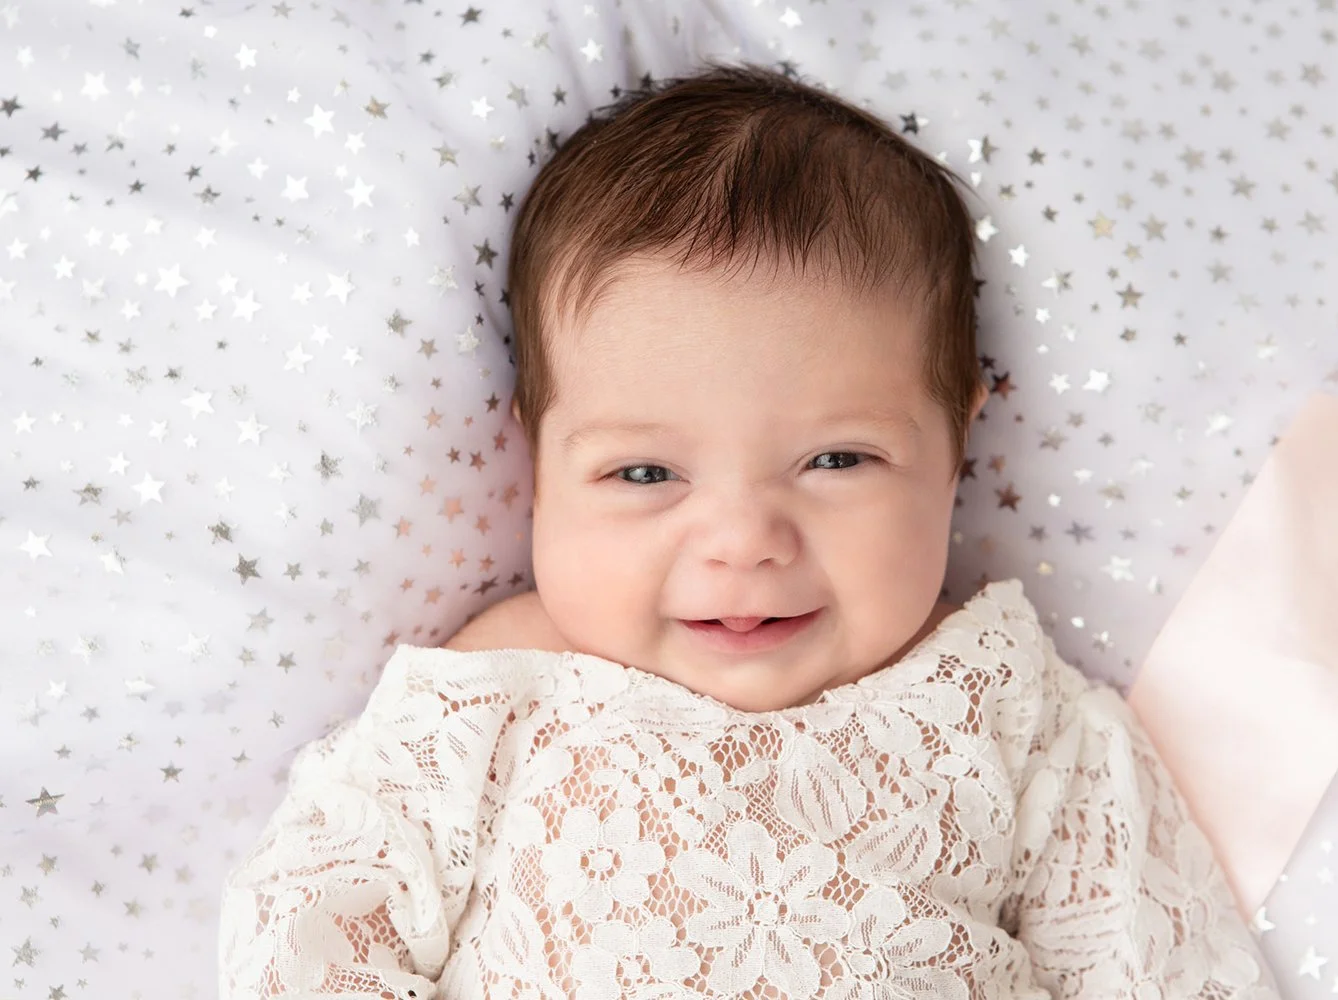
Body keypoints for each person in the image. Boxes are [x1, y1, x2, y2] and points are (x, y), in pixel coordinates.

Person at [219, 62, 1281, 998]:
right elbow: (313, 922)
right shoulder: (499, 687)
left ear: (958, 443)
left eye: (836, 460)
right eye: (644, 472)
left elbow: (1156, 957)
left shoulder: (1005, 699)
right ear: (535, 465)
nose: (742, 541)